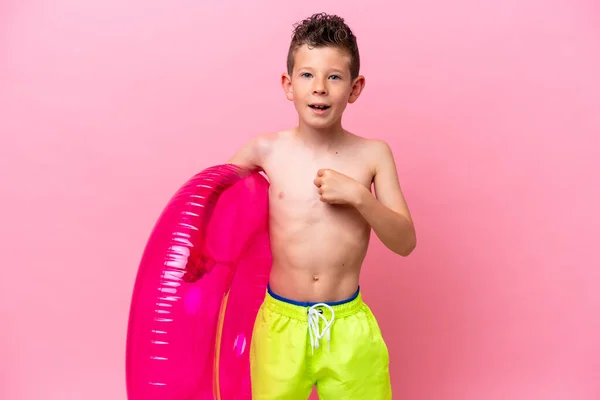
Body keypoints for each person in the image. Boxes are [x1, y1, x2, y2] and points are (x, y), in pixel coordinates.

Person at [227, 12, 416, 400]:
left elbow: (405, 241)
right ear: (288, 84)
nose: (320, 89)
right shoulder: (266, 150)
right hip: (280, 325)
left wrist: (360, 197)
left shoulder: (373, 155)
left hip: (347, 326)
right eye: (307, 75)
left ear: (355, 87)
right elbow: (213, 208)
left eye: (334, 77)